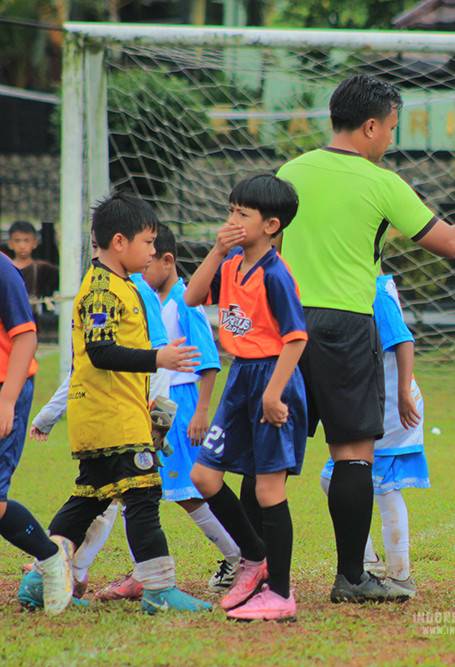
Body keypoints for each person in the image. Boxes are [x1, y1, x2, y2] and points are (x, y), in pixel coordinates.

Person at [276, 73, 455, 603]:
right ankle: (352, 577)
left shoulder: (289, 171)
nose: (391, 140)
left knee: (269, 458)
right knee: (353, 454)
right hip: (347, 324)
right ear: (370, 126)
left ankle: (254, 570)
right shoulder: (382, 182)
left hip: (285, 324)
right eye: (391, 129)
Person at [30, 191, 210, 615]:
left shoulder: (122, 285)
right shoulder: (102, 291)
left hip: (112, 415)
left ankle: (39, 581)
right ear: (118, 242)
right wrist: (158, 358)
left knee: (86, 503)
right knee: (144, 497)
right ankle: (159, 590)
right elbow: (99, 351)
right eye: (148, 242)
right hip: (111, 418)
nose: (153, 250)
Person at [186, 173, 308, 622]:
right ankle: (254, 559)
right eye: (230, 211)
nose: (231, 221)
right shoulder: (233, 263)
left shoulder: (276, 274)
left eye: (242, 214)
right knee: (203, 476)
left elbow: (296, 338)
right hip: (241, 378)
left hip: (271, 378)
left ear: (271, 225)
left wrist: (275, 394)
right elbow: (193, 296)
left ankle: (281, 593)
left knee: (268, 487)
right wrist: (217, 250)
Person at [142, 223, 242, 592]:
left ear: (167, 261)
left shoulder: (186, 301)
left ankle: (239, 557)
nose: (142, 272)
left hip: (182, 405)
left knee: (188, 493)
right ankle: (142, 569)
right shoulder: (156, 300)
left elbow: (210, 360)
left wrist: (202, 411)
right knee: (144, 486)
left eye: (147, 264)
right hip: (162, 404)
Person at [320, 274, 428, 600]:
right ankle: (366, 561)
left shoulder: (376, 290)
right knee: (333, 478)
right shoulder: (356, 284)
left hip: (392, 404)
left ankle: (401, 576)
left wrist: (403, 390)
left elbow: (404, 341)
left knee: (382, 485)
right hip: (370, 399)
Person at [0, 251, 74, 615]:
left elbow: (27, 338)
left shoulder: (2, 269)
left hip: (5, 387)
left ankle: (50, 557)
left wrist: (7, 399)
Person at [6, 221, 59, 338]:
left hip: (30, 319)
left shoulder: (40, 268)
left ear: (34, 243)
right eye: (17, 241)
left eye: (26, 241)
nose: (22, 246)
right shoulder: (5, 268)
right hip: (7, 318)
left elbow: (63, 279)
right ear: (10, 244)